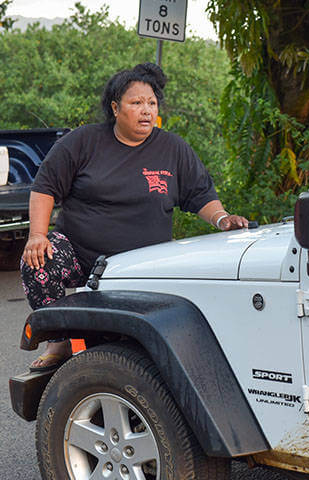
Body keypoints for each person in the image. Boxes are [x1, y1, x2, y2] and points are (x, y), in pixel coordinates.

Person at [21, 63, 248, 371]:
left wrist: (222, 219)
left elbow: (200, 195)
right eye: (136, 103)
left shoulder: (173, 148)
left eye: (151, 103)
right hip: (81, 257)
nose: (146, 111)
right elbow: (45, 187)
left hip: (146, 266)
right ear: (115, 107)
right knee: (38, 260)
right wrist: (38, 234)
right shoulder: (83, 142)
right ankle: (59, 339)